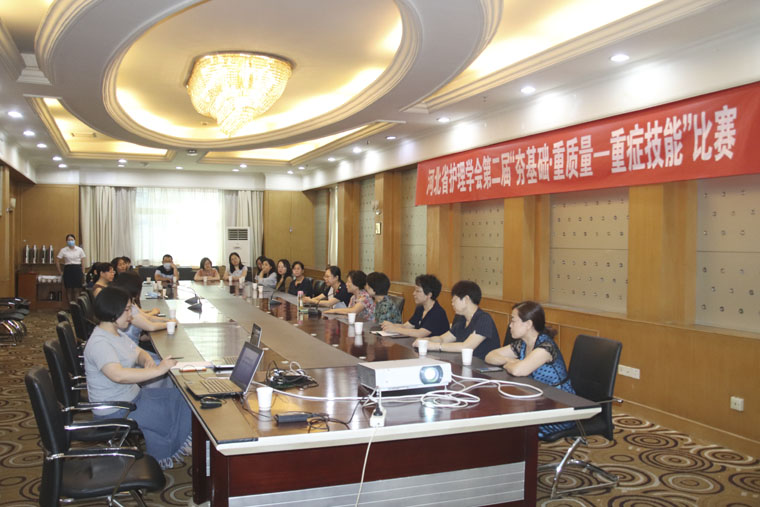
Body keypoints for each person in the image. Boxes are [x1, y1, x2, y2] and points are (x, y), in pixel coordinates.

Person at [83, 286, 191, 470]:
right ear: (114, 311)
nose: (131, 315)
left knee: (184, 395)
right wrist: (159, 370)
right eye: (127, 310)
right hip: (117, 409)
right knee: (180, 405)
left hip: (131, 398)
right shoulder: (100, 342)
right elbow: (118, 375)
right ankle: (173, 447)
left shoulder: (115, 333)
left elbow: (138, 351)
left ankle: (179, 441)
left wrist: (146, 360)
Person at [485, 301, 575, 438]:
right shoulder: (523, 344)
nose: (510, 325)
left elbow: (518, 371)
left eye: (513, 320)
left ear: (528, 324)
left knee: (509, 425)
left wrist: (513, 364)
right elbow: (490, 356)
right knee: (503, 418)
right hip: (538, 400)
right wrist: (511, 361)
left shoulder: (545, 347)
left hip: (559, 406)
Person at [413, 280, 499, 360]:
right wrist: (426, 341)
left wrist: (435, 346)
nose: (452, 304)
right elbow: (442, 339)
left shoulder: (484, 319)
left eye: (454, 300)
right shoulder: (462, 319)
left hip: (482, 367)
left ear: (466, 299)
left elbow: (466, 347)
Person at [111, 271, 176, 355]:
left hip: (132, 348)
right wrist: (169, 324)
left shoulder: (129, 302)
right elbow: (150, 326)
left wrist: (168, 320)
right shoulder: (126, 307)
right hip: (130, 351)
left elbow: (147, 317)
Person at [382, 274, 448, 337]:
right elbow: (407, 326)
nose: (414, 293)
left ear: (429, 295)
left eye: (418, 291)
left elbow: (420, 333)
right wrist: (391, 325)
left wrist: (396, 329)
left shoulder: (437, 312)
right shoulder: (421, 308)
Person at [55, 234, 86, 306]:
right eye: (69, 240)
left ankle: (77, 307)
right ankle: (70, 307)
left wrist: (83, 272)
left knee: (76, 289)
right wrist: (60, 272)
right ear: (66, 241)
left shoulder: (80, 250)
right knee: (68, 289)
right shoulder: (63, 250)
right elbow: (57, 261)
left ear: (74, 240)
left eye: (72, 240)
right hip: (68, 270)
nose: (70, 241)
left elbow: (83, 261)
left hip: (77, 270)